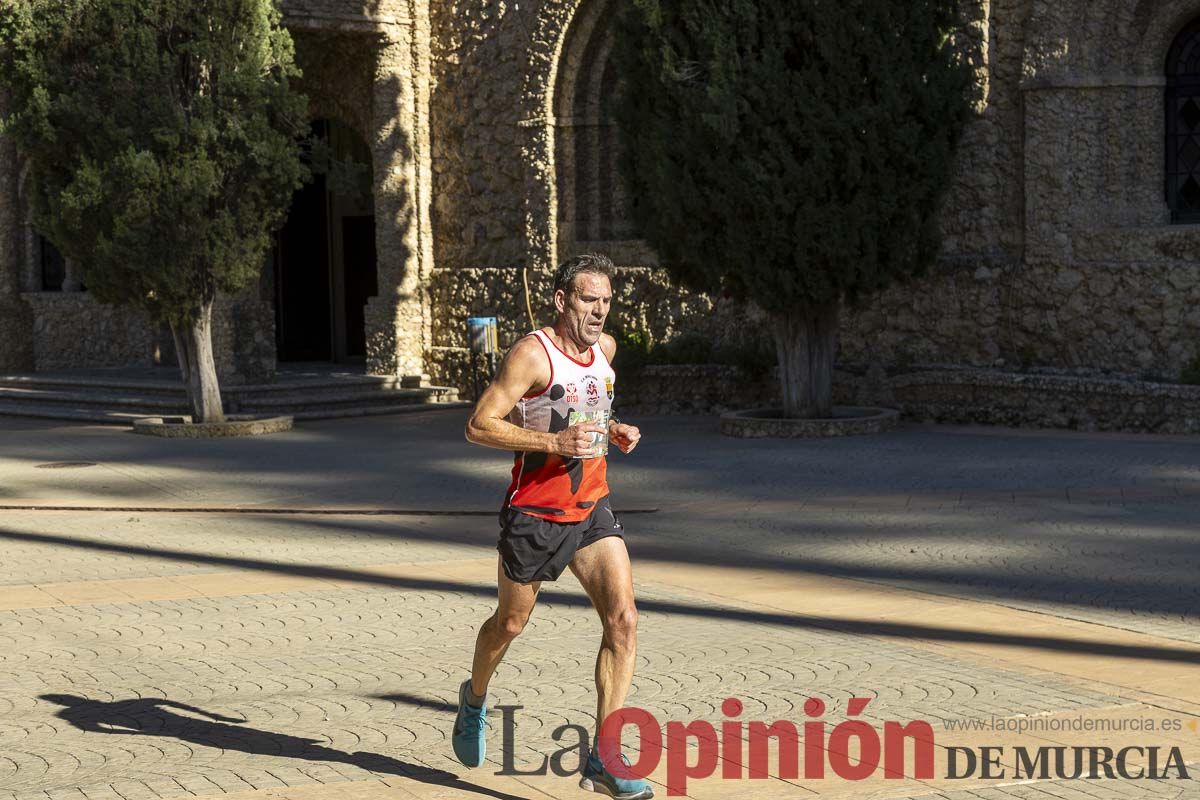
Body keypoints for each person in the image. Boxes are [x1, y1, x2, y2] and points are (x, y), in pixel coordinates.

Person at [454, 253, 652, 799]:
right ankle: (474, 697)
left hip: (591, 508)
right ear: (563, 300)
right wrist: (550, 443)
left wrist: (614, 429)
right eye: (590, 300)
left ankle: (605, 759)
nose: (600, 312)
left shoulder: (605, 352)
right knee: (509, 625)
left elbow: (589, 407)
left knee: (624, 621)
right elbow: (478, 425)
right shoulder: (530, 355)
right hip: (534, 515)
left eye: (607, 301)